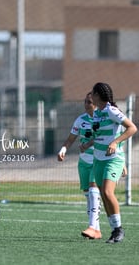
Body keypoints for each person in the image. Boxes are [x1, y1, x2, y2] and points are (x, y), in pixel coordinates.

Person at [81, 82, 137, 243]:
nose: (90, 95)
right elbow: (99, 135)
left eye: (92, 92)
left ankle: (119, 229)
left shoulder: (112, 110)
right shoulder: (97, 113)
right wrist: (88, 144)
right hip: (98, 160)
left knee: (107, 192)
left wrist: (115, 142)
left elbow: (132, 128)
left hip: (112, 160)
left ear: (98, 95)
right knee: (103, 196)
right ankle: (114, 230)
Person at [57, 92, 102, 239]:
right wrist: (63, 150)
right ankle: (97, 229)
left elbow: (105, 137)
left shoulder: (102, 118)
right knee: (88, 195)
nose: (86, 104)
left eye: (89, 102)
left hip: (98, 160)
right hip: (84, 162)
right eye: (85, 101)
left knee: (94, 190)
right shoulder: (80, 120)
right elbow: (70, 139)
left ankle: (91, 227)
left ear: (96, 103)